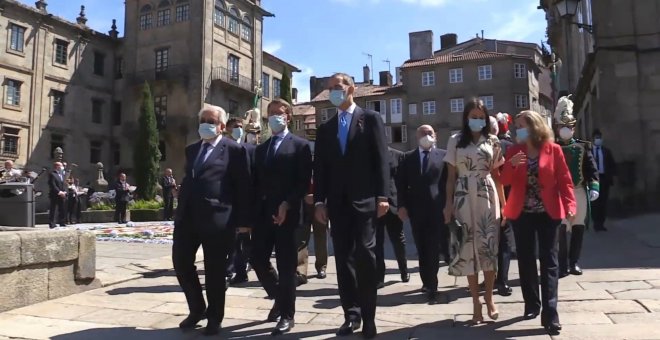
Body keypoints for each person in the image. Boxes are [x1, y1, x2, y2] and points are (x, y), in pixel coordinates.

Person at [313, 73, 389, 339]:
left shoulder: (370, 120)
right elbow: (320, 168)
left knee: (366, 256)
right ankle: (351, 315)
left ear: (351, 89)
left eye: (338, 87)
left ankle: (369, 318)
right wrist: (320, 201)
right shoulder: (325, 129)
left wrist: (383, 196)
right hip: (337, 203)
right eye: (330, 88)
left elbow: (381, 159)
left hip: (366, 200)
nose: (334, 91)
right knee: (343, 260)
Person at [172, 105, 251, 335]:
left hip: (219, 219)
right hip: (188, 217)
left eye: (211, 120)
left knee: (215, 271)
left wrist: (244, 220)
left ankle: (215, 317)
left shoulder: (234, 150)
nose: (206, 124)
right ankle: (197, 308)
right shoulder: (192, 149)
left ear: (222, 126)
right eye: (203, 120)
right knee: (181, 262)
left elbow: (243, 187)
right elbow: (192, 177)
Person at [501, 110, 576, 335]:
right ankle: (532, 304)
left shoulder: (553, 150)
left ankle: (551, 313)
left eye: (522, 125)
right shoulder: (514, 150)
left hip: (548, 212)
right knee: (525, 259)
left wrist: (570, 205)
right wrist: (511, 164)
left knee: (549, 261)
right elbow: (504, 180)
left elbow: (565, 180)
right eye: (517, 126)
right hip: (522, 213)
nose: (518, 130)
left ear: (534, 126)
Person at [250, 98, 312, 335]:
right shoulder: (262, 148)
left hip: (288, 214)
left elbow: (303, 181)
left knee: (286, 267)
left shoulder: (300, 146)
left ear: (288, 116)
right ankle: (279, 296)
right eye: (271, 113)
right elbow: (256, 183)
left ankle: (287, 315)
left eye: (279, 113)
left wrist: (288, 203)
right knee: (256, 258)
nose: (275, 116)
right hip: (264, 215)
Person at [443, 98, 506, 324]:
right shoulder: (454, 141)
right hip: (462, 195)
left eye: (481, 117)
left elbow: (498, 176)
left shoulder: (494, 141)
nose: (477, 120)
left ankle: (489, 298)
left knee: (489, 247)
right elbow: (450, 178)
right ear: (466, 117)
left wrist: (504, 204)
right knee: (468, 248)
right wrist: (448, 204)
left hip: (487, 194)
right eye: (473, 116)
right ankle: (475, 304)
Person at [397, 125, 446, 304]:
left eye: (430, 133)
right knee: (422, 248)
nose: (426, 136)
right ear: (416, 136)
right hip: (416, 211)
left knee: (433, 249)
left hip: (436, 210)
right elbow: (400, 184)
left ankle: (433, 287)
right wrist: (401, 206)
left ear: (435, 136)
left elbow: (449, 183)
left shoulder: (443, 155)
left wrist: (450, 206)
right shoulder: (407, 158)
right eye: (423, 134)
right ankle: (426, 282)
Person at [554, 96, 599, 278]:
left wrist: (594, 185)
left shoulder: (582, 147)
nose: (566, 130)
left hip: (579, 190)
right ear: (557, 128)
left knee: (578, 227)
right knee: (562, 229)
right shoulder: (552, 147)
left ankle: (574, 262)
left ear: (573, 128)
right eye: (563, 126)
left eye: (569, 127)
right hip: (559, 193)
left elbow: (591, 168)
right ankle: (562, 264)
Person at [374, 146, 408, 290]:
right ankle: (379, 277)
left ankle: (404, 270)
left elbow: (403, 183)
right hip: (375, 206)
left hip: (394, 205)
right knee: (377, 242)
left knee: (398, 240)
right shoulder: (369, 154)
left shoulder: (398, 155)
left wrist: (403, 205)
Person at [490, 115, 515, 296]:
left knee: (488, 241)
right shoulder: (511, 147)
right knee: (505, 242)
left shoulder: (478, 147)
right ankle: (502, 281)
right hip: (507, 197)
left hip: (484, 198)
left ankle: (489, 277)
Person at [297, 177, 328, 283]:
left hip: (320, 203)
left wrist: (319, 198)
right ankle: (301, 271)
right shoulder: (302, 161)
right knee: (302, 236)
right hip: (303, 202)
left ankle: (321, 267)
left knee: (320, 235)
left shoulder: (321, 161)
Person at [591, 129, 616, 231]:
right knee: (595, 202)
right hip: (593, 180)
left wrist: (611, 175)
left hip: (604, 178)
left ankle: (601, 223)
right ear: (593, 139)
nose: (598, 140)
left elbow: (611, 164)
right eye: (596, 138)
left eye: (599, 138)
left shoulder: (606, 151)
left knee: (603, 202)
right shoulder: (589, 152)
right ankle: (595, 222)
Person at [48, 162, 67, 229]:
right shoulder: (52, 174)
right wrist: (59, 192)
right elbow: (52, 185)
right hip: (55, 195)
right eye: (61, 166)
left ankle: (62, 222)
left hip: (62, 194)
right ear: (57, 166)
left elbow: (63, 184)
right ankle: (52, 223)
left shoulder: (61, 175)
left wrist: (64, 192)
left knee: (62, 209)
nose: (62, 167)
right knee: (54, 209)